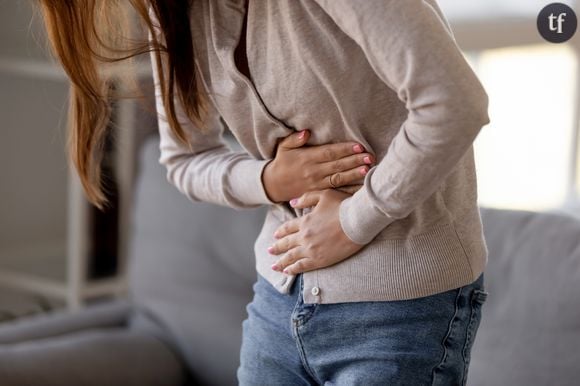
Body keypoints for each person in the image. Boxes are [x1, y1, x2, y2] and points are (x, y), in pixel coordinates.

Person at [37, 0, 490, 384]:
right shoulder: (172, 8)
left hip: (401, 309)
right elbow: (183, 158)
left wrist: (355, 221)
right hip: (277, 302)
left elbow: (454, 103)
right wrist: (272, 179)